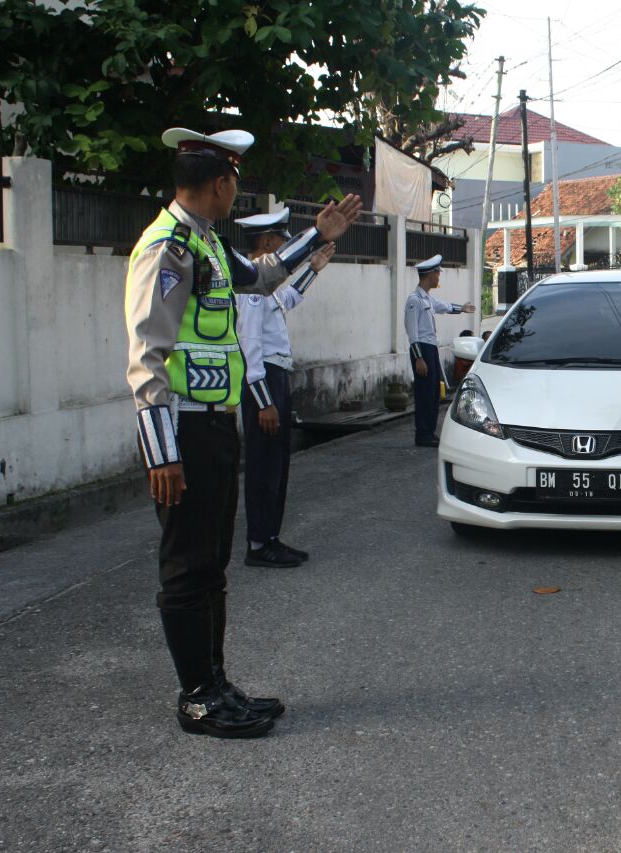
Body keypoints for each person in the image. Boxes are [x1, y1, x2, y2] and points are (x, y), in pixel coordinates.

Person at [123, 126, 362, 738]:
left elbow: (259, 276)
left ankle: (216, 683)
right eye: (235, 182)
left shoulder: (204, 245)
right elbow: (146, 357)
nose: (237, 194)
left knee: (211, 565)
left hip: (215, 427)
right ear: (221, 182)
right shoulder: (168, 249)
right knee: (185, 565)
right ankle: (196, 698)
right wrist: (161, 455)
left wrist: (317, 238)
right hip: (182, 433)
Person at [235, 208, 336, 569]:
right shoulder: (250, 291)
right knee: (263, 467)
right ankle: (259, 543)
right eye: (282, 241)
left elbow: (288, 299)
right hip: (262, 383)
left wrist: (312, 269)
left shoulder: (266, 290)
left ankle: (270, 538)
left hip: (275, 378)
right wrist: (264, 402)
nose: (285, 250)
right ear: (266, 243)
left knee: (277, 465)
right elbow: (249, 349)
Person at [404, 254, 475, 447]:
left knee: (434, 392)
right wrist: (419, 358)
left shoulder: (426, 298)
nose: (439, 277)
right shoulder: (414, 300)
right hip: (422, 350)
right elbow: (413, 333)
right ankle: (423, 434)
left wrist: (463, 309)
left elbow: (444, 306)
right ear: (430, 275)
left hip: (430, 349)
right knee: (425, 392)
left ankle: (429, 432)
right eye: (437, 273)